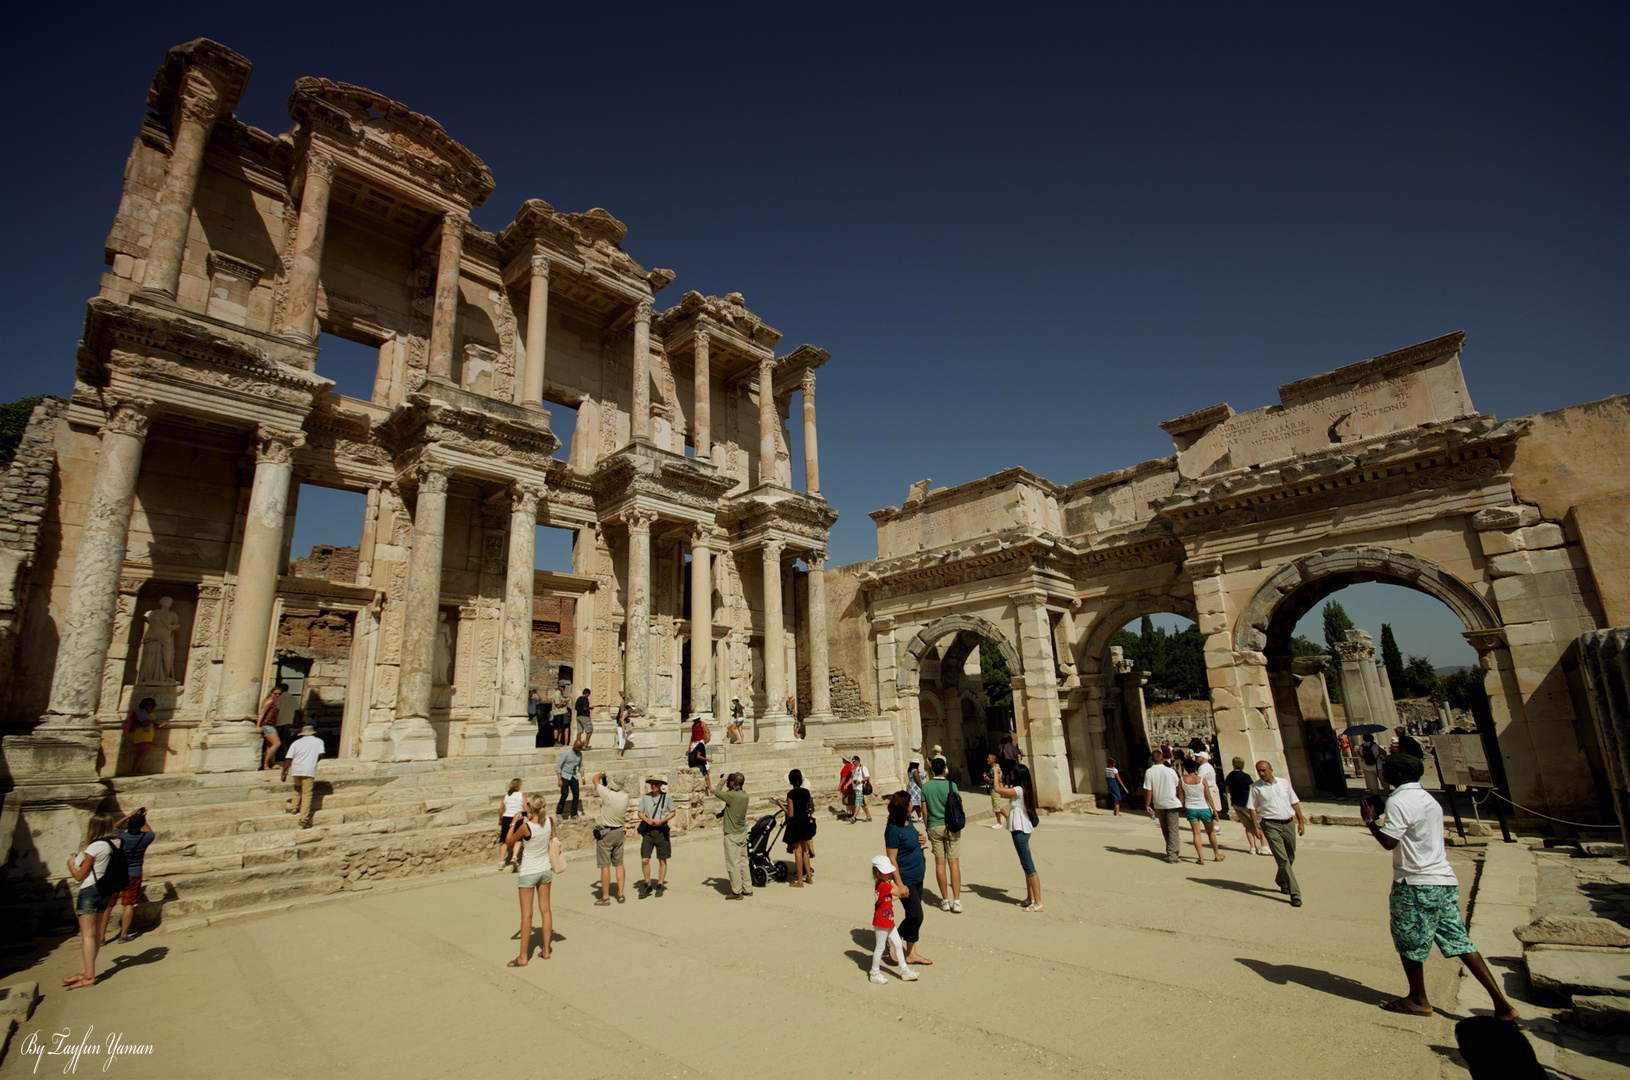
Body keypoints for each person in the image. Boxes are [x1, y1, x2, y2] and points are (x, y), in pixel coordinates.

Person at [1361, 754, 1519, 1020]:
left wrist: (1370, 821)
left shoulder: (1399, 800)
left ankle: (1418, 999)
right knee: (1459, 940)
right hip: (1443, 879)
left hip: (1415, 882)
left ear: (1398, 775)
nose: (1382, 772)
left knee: (1409, 940)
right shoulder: (1428, 799)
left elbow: (1389, 842)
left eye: (1385, 769)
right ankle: (1501, 1002)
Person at [62, 812, 123, 989]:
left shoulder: (95, 846)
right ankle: (86, 969)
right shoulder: (118, 842)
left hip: (90, 889)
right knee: (95, 934)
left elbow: (79, 876)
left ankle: (89, 975)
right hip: (106, 889)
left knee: (87, 935)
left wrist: (71, 864)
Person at [1249, 759, 1307, 907]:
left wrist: (1300, 821)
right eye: (1259, 771)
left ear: (1271, 770)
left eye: (1264, 770)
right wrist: (1255, 827)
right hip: (1270, 825)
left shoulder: (1284, 783)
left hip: (1288, 823)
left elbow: (1294, 802)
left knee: (1290, 855)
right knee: (1283, 860)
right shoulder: (1256, 788)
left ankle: (1281, 879)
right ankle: (1295, 894)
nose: (1262, 774)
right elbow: (1252, 808)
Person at [883, 790, 931, 963]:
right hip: (905, 878)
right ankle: (893, 938)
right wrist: (899, 883)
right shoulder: (893, 830)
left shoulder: (907, 820)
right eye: (910, 802)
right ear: (904, 806)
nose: (913, 804)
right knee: (916, 915)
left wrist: (921, 839)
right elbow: (892, 859)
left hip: (918, 874)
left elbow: (913, 837)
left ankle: (911, 953)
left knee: (915, 915)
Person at [506, 795, 554, 965]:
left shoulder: (526, 827)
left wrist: (513, 822)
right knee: (545, 910)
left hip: (529, 871)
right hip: (545, 869)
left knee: (527, 915)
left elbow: (508, 840)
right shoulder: (549, 821)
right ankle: (546, 950)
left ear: (531, 808)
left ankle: (523, 956)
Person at [993, 764, 1043, 912]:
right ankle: (1030, 897)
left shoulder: (1019, 790)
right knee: (1025, 865)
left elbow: (998, 790)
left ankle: (1038, 902)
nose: (1011, 773)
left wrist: (995, 774)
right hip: (1019, 827)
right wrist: (1000, 778)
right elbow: (1003, 791)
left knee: (1029, 866)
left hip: (1020, 828)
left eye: (1013, 772)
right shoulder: (1021, 790)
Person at [921, 759, 963, 912]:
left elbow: (924, 811)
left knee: (940, 864)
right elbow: (960, 806)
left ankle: (944, 900)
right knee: (954, 864)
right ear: (945, 769)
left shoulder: (926, 787)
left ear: (931, 769)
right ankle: (957, 901)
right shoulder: (952, 785)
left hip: (934, 826)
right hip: (951, 826)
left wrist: (927, 828)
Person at [868, 855, 917, 983]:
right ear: (878, 873)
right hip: (881, 922)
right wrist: (902, 889)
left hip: (888, 920)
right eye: (886, 873)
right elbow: (896, 892)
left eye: (890, 873)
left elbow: (893, 897)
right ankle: (874, 972)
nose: (889, 875)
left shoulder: (883, 884)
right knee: (880, 947)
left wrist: (900, 892)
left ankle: (904, 970)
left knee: (898, 944)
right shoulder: (883, 885)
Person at [108, 808, 154, 944]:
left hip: (117, 873)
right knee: (128, 905)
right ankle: (124, 934)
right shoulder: (147, 837)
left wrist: (129, 815)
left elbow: (113, 827)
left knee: (109, 905)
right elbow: (149, 831)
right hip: (134, 874)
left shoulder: (121, 836)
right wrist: (143, 818)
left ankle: (101, 937)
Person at [590, 772, 629, 905]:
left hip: (606, 832)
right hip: (619, 831)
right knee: (619, 863)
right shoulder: (625, 797)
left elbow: (595, 779)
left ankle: (605, 896)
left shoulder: (607, 794)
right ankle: (621, 893)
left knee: (605, 865)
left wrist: (602, 774)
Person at [774, 769, 817, 886]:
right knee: (804, 851)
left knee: (797, 851)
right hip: (805, 822)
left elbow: (791, 814)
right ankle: (808, 876)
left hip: (796, 824)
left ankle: (799, 880)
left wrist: (781, 805)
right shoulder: (806, 792)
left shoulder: (791, 794)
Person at [1178, 758, 1224, 864]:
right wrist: (1214, 810)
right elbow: (1208, 797)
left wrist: (1183, 808)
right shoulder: (1202, 780)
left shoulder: (1182, 780)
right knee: (1210, 832)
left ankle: (1201, 857)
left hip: (1191, 807)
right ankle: (1216, 854)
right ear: (1195, 767)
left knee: (1196, 833)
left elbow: (1181, 797)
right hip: (1203, 807)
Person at [715, 772, 752, 899]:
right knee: (743, 861)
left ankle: (737, 891)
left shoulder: (731, 796)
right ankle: (747, 887)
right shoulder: (745, 796)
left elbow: (716, 792)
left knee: (733, 863)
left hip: (732, 834)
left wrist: (723, 780)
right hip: (741, 832)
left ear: (732, 783)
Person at [1142, 751, 1184, 863]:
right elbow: (1178, 786)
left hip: (1159, 803)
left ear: (1152, 760)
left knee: (1166, 829)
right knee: (1173, 829)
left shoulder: (1149, 772)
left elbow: (1148, 790)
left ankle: (1171, 851)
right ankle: (1173, 854)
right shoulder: (1171, 771)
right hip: (1171, 802)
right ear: (1163, 759)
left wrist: (1147, 804)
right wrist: (1181, 800)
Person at [637, 775, 675, 898]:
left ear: (660, 786)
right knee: (645, 859)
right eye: (652, 784)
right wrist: (646, 819)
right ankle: (647, 883)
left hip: (661, 831)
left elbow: (673, 812)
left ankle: (659, 883)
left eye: (656, 784)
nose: (653, 786)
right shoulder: (646, 797)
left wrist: (663, 820)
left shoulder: (667, 797)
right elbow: (640, 812)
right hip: (649, 831)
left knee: (662, 859)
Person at [280, 723, 324, 828]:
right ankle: (303, 819)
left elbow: (288, 758)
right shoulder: (318, 742)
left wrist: (284, 772)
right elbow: (321, 754)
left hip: (296, 769)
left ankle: (294, 807)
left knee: (296, 788)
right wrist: (314, 761)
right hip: (308, 770)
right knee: (307, 794)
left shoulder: (296, 743)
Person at [1225, 757, 1266, 855]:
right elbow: (1253, 789)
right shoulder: (1245, 776)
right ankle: (1264, 846)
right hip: (1247, 803)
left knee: (1248, 826)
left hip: (1236, 803)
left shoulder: (1229, 776)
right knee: (1259, 824)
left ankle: (1252, 847)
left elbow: (1228, 790)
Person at [125, 697, 166, 774]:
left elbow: (154, 725)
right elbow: (134, 724)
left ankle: (137, 770)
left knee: (144, 753)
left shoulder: (150, 714)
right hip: (141, 734)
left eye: (151, 705)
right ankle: (133, 770)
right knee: (142, 753)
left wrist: (161, 725)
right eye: (147, 704)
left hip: (149, 735)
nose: (149, 706)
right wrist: (146, 722)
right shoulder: (138, 713)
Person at [258, 683, 286, 770]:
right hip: (267, 725)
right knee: (276, 743)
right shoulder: (269, 701)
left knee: (270, 746)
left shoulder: (273, 702)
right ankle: (265, 763)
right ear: (271, 693)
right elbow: (262, 713)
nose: (277, 695)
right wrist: (258, 725)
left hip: (270, 724)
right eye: (275, 693)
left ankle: (272, 763)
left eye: (279, 694)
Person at [499, 777, 525, 870]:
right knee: (518, 839)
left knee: (504, 840)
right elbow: (525, 808)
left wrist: (500, 819)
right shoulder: (522, 795)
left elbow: (501, 809)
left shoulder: (506, 796)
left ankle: (501, 862)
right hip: (518, 818)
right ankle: (514, 856)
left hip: (506, 818)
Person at [556, 736, 584, 818]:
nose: (579, 749)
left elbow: (581, 766)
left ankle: (573, 813)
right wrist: (559, 779)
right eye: (577, 748)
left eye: (580, 748)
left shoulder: (580, 755)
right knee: (564, 794)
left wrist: (583, 777)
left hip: (574, 776)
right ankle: (559, 812)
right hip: (565, 775)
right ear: (574, 746)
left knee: (576, 794)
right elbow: (559, 767)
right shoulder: (566, 753)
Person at [688, 723, 713, 795]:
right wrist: (707, 759)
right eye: (708, 739)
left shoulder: (702, 745)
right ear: (706, 739)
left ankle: (710, 789)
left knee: (707, 776)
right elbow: (698, 756)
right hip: (699, 764)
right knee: (704, 776)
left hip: (701, 763)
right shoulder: (701, 745)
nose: (708, 741)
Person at [986, 753, 1009, 829]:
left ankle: (999, 822)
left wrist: (989, 779)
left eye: (989, 758)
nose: (987, 759)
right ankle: (1007, 818)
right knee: (996, 806)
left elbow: (998, 778)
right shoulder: (993, 768)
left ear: (992, 760)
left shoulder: (995, 768)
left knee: (997, 806)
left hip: (995, 788)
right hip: (993, 788)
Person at [849, 756, 873, 823]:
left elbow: (868, 777)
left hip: (860, 788)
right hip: (856, 788)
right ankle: (868, 816)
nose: (853, 763)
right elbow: (851, 778)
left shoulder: (863, 768)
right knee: (862, 803)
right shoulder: (854, 769)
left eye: (854, 762)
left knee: (858, 803)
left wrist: (860, 781)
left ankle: (854, 817)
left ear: (857, 761)